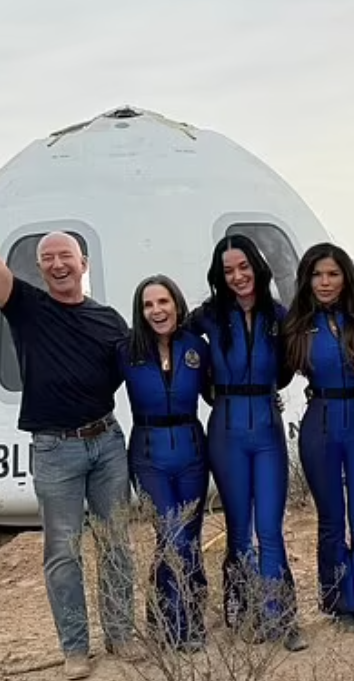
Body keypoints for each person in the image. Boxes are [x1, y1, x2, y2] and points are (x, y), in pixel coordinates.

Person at [0, 160, 137, 680]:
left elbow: (137, 374)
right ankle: (75, 648)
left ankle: (122, 635)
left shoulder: (108, 320)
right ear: (39, 267)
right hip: (55, 449)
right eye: (47, 257)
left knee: (116, 543)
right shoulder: (24, 307)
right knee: (63, 551)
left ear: (83, 263)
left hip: (106, 442)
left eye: (65, 255)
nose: (56, 263)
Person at [187, 233, 307, 652]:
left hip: (268, 430)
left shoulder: (279, 315)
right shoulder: (208, 316)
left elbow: (288, 366)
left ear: (257, 266)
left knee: (270, 528)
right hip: (226, 432)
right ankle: (243, 612)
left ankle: (281, 618)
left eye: (243, 267)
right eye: (228, 271)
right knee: (239, 529)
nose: (238, 276)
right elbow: (178, 346)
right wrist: (206, 388)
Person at [283, 242, 354, 633]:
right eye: (317, 275)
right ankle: (339, 604)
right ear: (306, 280)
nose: (325, 282)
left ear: (346, 278)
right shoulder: (296, 326)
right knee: (330, 520)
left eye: (333, 274)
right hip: (319, 423)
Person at [118, 275, 211, 652]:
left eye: (163, 302)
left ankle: (174, 612)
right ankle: (179, 625)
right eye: (148, 305)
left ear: (177, 304)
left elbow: (218, 390)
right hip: (148, 455)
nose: (157, 310)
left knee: (188, 537)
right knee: (172, 535)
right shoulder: (126, 351)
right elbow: (92, 387)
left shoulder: (196, 347)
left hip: (192, 452)